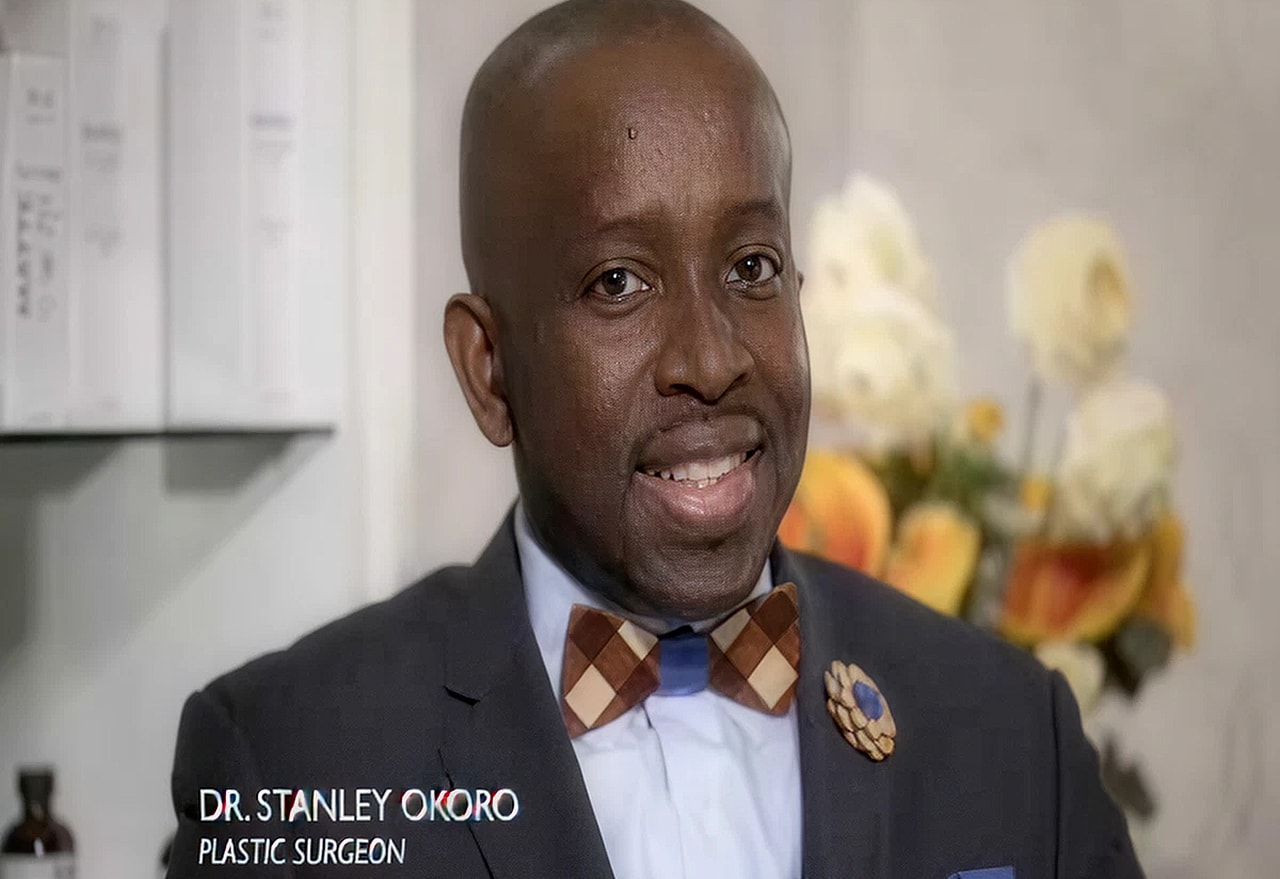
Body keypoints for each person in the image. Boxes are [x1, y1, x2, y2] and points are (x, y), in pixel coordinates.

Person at [166, 1, 1145, 877]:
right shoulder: (289, 765)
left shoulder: (1013, 736)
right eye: (617, 284)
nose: (709, 358)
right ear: (488, 367)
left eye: (751, 265)